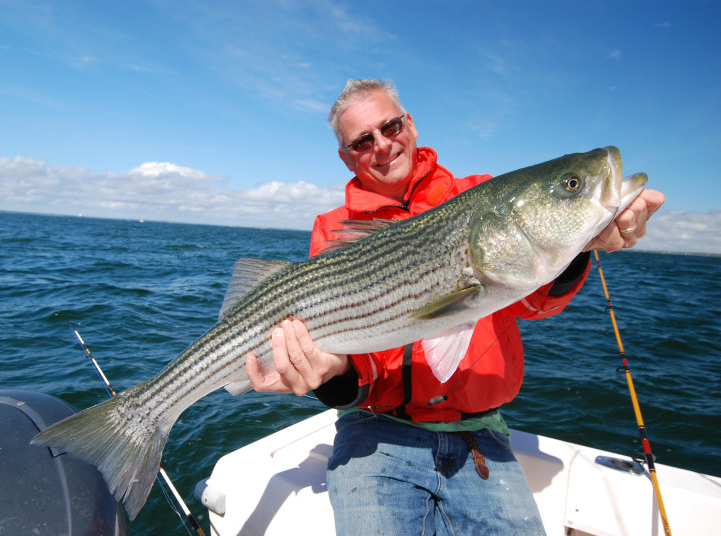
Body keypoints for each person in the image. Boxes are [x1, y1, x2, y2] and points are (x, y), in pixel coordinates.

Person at [245, 79, 665, 535]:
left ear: (411, 124)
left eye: (390, 126)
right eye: (363, 140)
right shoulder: (333, 229)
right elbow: (348, 356)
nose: (382, 144)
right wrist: (330, 377)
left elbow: (536, 300)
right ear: (347, 156)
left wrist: (581, 245)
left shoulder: (481, 194)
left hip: (480, 434)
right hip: (373, 431)